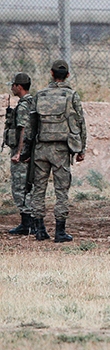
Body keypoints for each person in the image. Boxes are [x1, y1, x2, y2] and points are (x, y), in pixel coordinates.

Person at [28, 60, 86, 243]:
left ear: (51, 74)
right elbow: (80, 123)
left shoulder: (40, 95)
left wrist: (27, 150)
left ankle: (39, 229)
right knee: (61, 190)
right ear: (67, 75)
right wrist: (81, 148)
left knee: (39, 189)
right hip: (61, 149)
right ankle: (60, 232)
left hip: (41, 148)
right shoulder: (71, 95)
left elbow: (31, 125)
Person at [5, 73, 33, 235]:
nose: (12, 88)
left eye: (14, 85)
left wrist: (19, 152)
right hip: (30, 151)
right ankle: (30, 223)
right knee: (28, 187)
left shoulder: (23, 106)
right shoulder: (33, 102)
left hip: (21, 152)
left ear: (19, 87)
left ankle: (26, 224)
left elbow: (23, 129)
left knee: (19, 187)